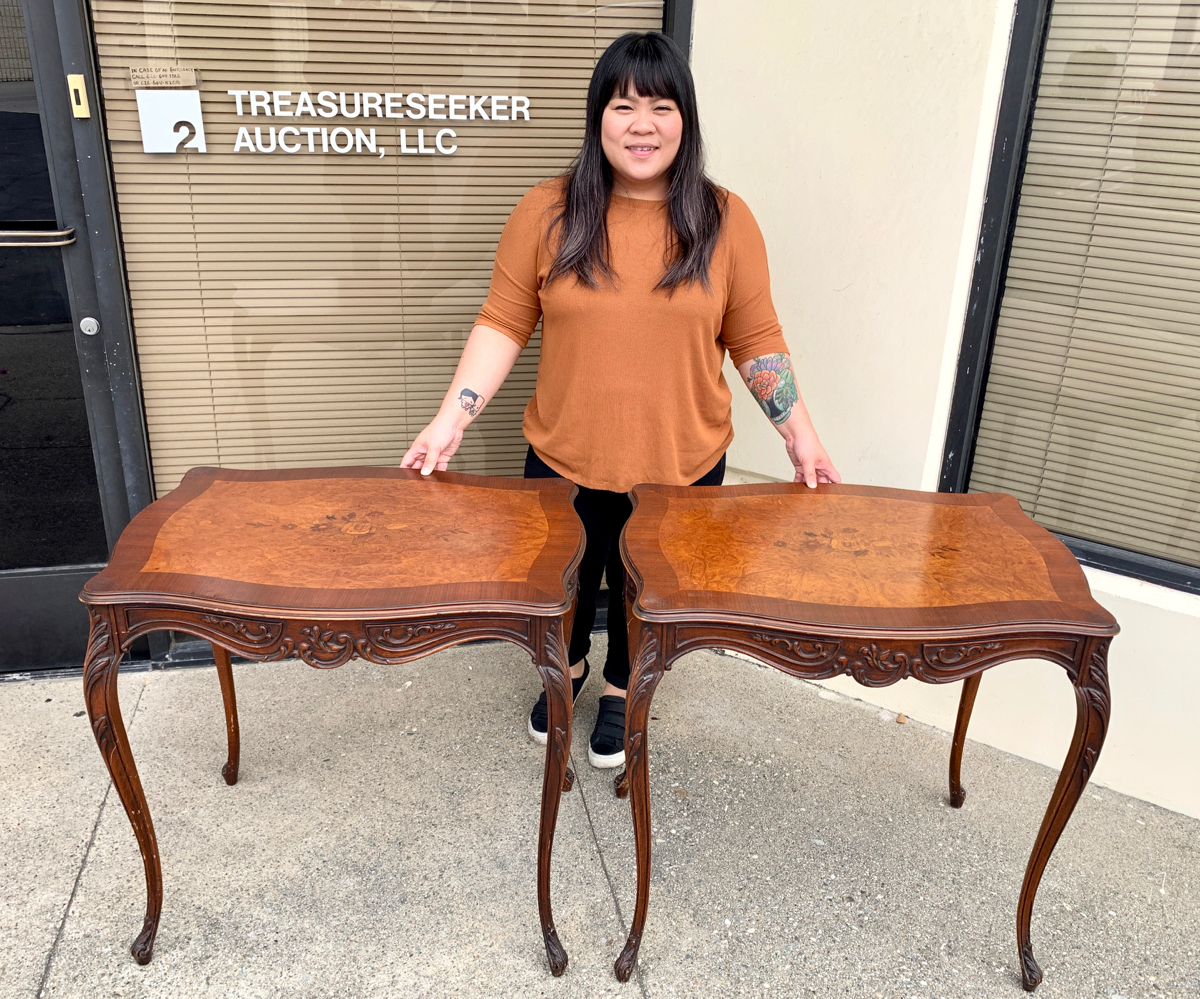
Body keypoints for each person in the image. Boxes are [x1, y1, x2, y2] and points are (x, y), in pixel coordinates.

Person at [401, 31, 840, 769]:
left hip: (682, 463)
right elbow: (503, 323)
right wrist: (452, 415)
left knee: (645, 596)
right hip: (564, 454)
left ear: (685, 121)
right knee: (561, 586)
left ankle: (616, 686)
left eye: (661, 106)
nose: (642, 124)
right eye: (624, 104)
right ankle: (565, 667)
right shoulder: (547, 212)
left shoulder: (725, 220)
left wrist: (800, 433)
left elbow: (756, 337)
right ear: (598, 117)